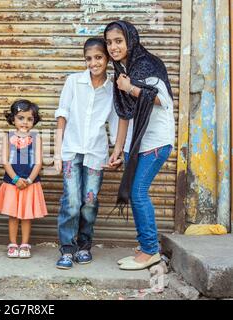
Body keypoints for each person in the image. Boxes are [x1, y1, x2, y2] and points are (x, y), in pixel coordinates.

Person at [104, 20, 175, 270]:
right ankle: (146, 245)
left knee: (138, 193)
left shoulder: (148, 64)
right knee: (136, 194)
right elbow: (125, 113)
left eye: (118, 41)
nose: (113, 47)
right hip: (139, 143)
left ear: (130, 40)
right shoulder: (123, 69)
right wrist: (117, 149)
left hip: (156, 141)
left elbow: (159, 99)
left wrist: (129, 87)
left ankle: (150, 250)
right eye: (109, 42)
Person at [54, 38, 118, 269]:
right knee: (71, 200)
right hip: (71, 151)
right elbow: (62, 115)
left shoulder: (113, 88)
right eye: (89, 58)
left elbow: (115, 120)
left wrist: (116, 151)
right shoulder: (74, 81)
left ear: (107, 59)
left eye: (99, 57)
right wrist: (57, 153)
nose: (94, 62)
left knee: (89, 201)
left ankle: (84, 246)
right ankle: (67, 249)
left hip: (96, 152)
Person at [0, 100, 48, 258]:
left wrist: (29, 180)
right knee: (13, 215)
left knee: (26, 215)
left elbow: (38, 162)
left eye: (29, 119)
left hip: (30, 184)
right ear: (13, 119)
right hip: (12, 183)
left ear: (34, 121)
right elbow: (5, 161)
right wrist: (16, 179)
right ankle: (12, 243)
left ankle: (25, 244)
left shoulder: (36, 139)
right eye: (21, 118)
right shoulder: (7, 137)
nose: (25, 122)